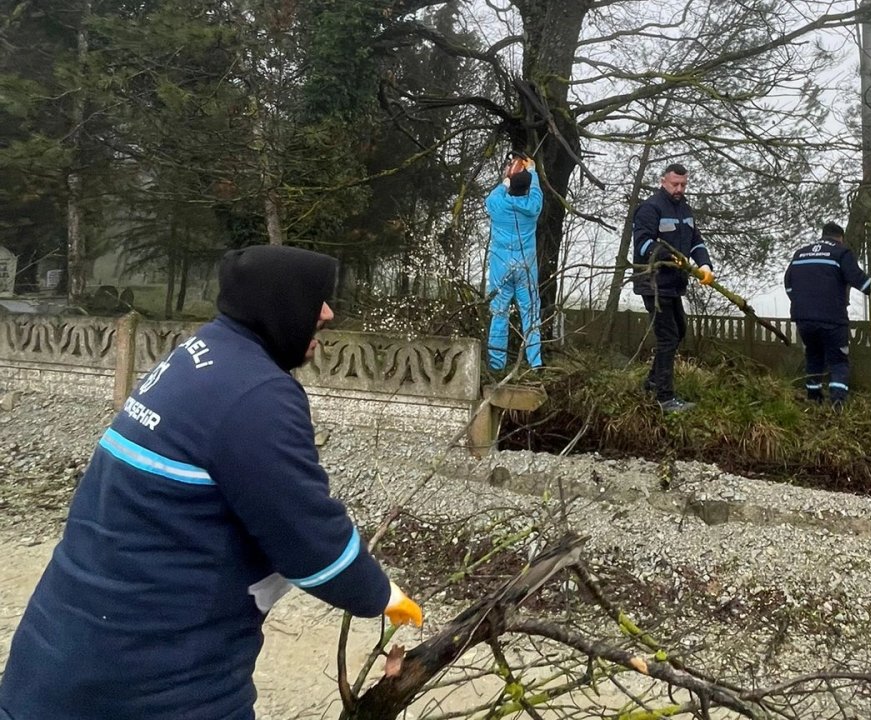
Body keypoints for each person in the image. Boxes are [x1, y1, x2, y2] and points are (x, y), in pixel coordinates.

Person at [0, 245, 424, 720]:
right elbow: (309, 540)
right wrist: (381, 595)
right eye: (315, 299)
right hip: (151, 686)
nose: (327, 313)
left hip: (55, 661)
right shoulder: (256, 395)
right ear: (277, 306)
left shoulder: (199, 358)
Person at [631, 163, 714, 413]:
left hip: (674, 284)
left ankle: (652, 383)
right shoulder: (650, 208)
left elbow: (695, 241)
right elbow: (643, 245)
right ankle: (664, 398)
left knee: (679, 331)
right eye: (675, 184)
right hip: (654, 283)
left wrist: (705, 265)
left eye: (683, 185)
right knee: (668, 336)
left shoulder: (685, 209)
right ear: (663, 181)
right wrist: (669, 255)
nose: (679, 189)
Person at [783, 222, 871, 409]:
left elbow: (788, 283)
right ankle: (837, 403)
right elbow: (859, 280)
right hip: (832, 318)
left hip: (803, 319)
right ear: (841, 238)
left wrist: (799, 301)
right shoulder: (841, 252)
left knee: (813, 355)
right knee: (838, 361)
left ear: (823, 235)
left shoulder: (800, 253)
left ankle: (813, 399)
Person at [486, 151, 544, 372]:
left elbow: (495, 194)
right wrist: (532, 171)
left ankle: (496, 364)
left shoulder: (496, 204)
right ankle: (535, 362)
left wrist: (506, 178)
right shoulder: (533, 207)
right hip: (526, 268)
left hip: (501, 267)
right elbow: (537, 191)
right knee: (530, 313)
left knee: (499, 313)